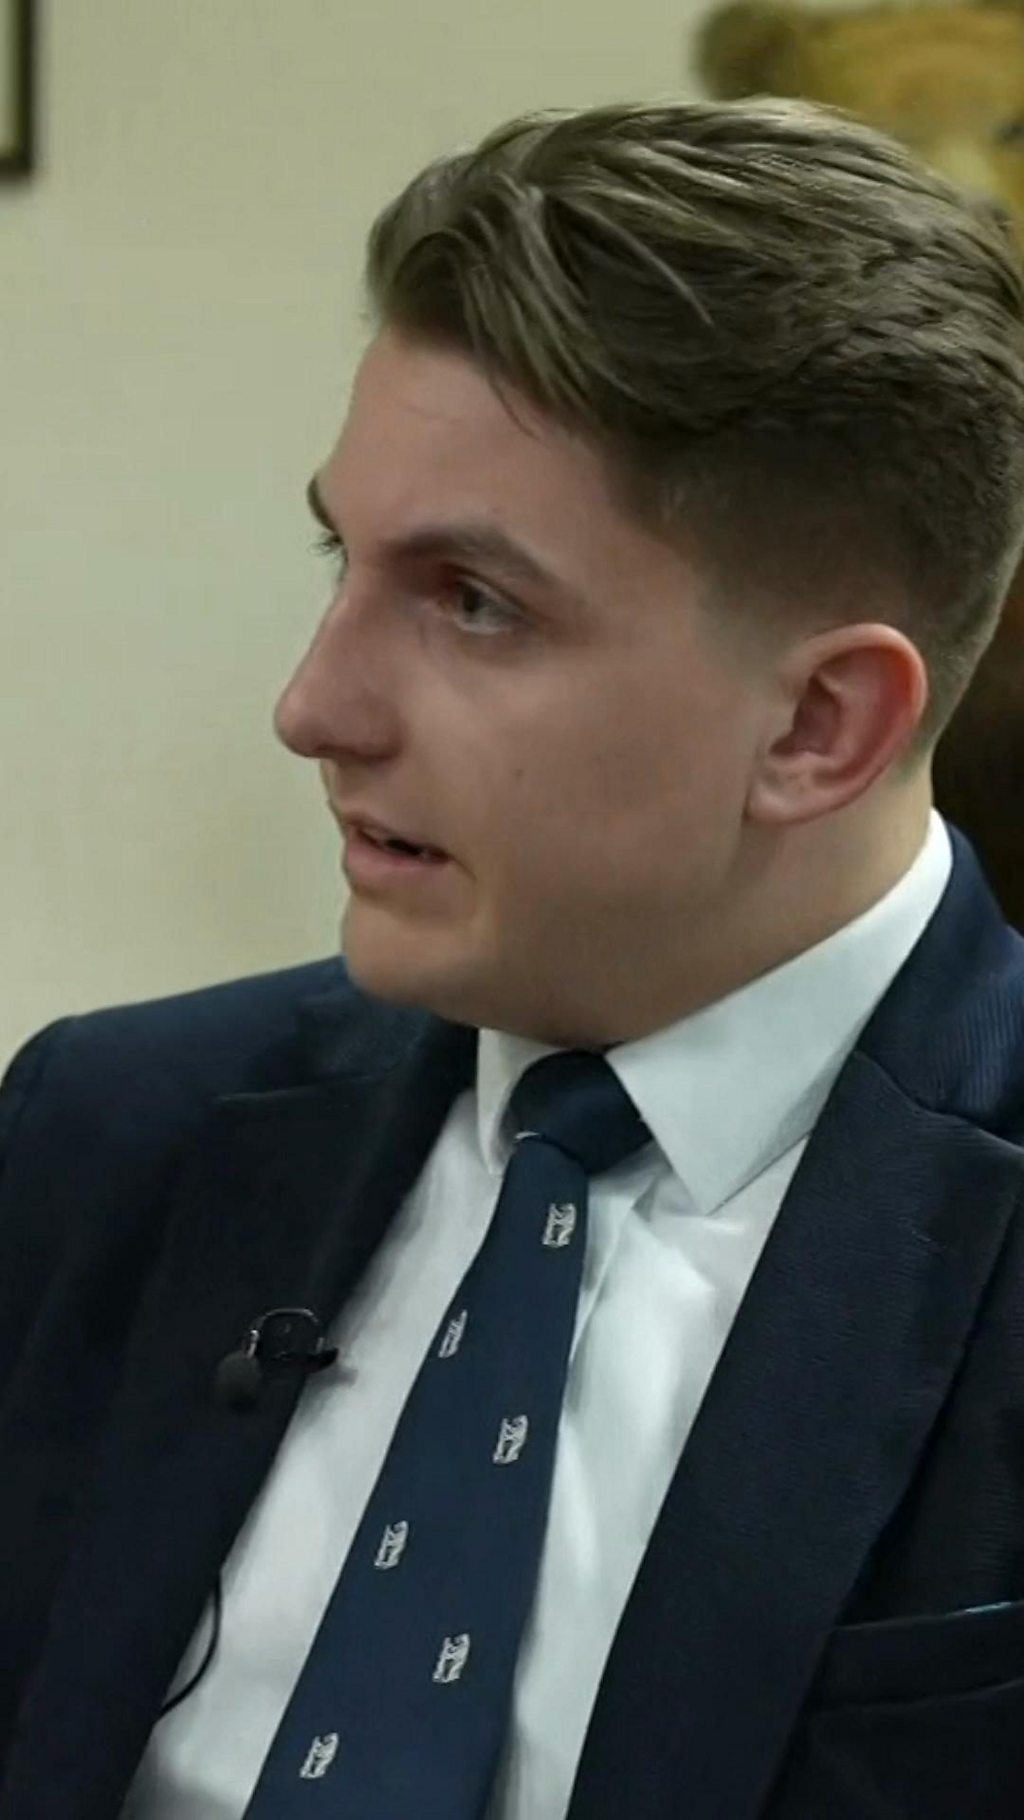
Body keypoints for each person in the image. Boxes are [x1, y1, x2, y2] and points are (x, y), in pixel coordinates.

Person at [1, 95, 1023, 1820]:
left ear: (820, 727)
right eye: (342, 558)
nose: (313, 707)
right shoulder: (104, 1134)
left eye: (474, 602)